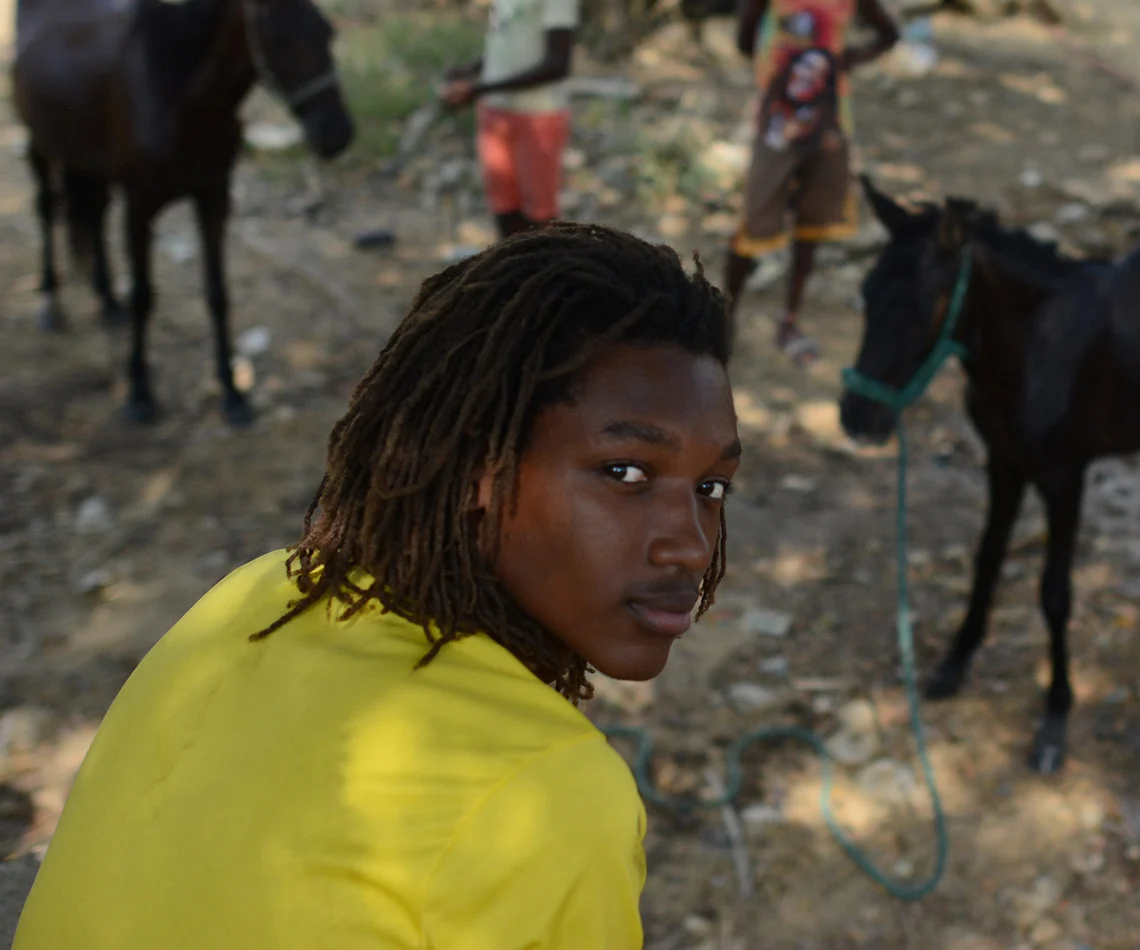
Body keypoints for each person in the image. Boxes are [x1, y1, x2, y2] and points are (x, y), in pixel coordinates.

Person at [13, 225, 741, 949]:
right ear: (476, 469)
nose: (691, 543)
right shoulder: (547, 792)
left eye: (711, 486)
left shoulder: (257, 594)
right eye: (626, 473)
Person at [726, 0, 899, 366]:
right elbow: (745, 31)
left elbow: (889, 32)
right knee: (754, 219)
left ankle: (789, 321)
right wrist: (772, 74)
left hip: (828, 123)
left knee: (812, 224)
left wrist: (846, 61)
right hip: (778, 122)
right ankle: (727, 318)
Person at [443, 0, 580, 239]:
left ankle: (545, 289)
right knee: (504, 206)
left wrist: (479, 87)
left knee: (540, 216)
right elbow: (503, 37)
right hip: (495, 109)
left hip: (538, 114)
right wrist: (471, 70)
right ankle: (513, 285)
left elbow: (557, 63)